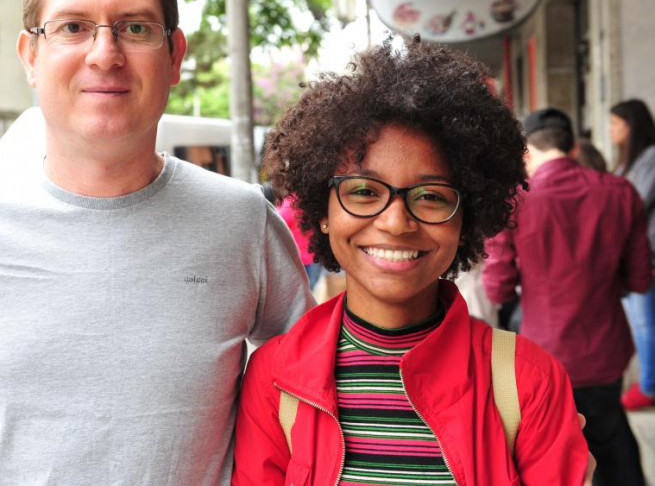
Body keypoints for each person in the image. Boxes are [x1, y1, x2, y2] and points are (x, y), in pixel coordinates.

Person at [0, 0, 313, 485]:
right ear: (31, 55)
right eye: (74, 27)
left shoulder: (244, 222)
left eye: (135, 28)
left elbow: (314, 425)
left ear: (174, 57)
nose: (106, 54)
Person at [232, 37, 590, 485]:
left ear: (468, 218)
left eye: (432, 196)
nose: (396, 222)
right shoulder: (273, 379)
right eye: (364, 191)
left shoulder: (527, 380)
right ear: (323, 212)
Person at [484, 106, 652, 486]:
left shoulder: (516, 201)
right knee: (611, 440)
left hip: (541, 352)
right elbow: (641, 278)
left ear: (527, 153)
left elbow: (497, 286)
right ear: (574, 147)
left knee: (547, 458)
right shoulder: (620, 192)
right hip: (604, 349)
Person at [610, 98, 655, 410]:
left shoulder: (649, 158)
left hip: (647, 253)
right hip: (632, 251)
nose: (611, 130)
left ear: (632, 126)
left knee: (645, 324)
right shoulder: (629, 160)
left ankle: (650, 386)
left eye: (616, 124)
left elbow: (635, 201)